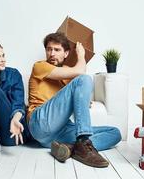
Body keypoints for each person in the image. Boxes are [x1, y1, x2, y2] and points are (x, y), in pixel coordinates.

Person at [27, 32, 121, 168]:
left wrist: (80, 98)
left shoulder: (66, 75)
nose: (52, 53)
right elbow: (81, 73)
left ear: (66, 53)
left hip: (58, 134)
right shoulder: (40, 66)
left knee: (114, 133)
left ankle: (71, 148)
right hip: (39, 123)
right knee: (84, 78)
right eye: (49, 49)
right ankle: (82, 141)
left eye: (57, 50)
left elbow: (76, 94)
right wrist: (81, 56)